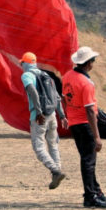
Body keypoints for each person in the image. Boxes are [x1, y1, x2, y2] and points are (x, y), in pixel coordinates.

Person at [62, 46, 106, 208]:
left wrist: (66, 116)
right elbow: (90, 110)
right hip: (85, 124)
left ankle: (96, 190)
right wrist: (97, 136)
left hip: (74, 123)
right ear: (88, 63)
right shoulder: (86, 83)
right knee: (89, 161)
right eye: (93, 61)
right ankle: (90, 196)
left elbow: (65, 98)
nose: (93, 64)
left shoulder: (67, 76)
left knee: (86, 158)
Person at [20, 52, 67, 189]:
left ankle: (55, 171)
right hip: (52, 115)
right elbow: (57, 97)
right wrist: (62, 115)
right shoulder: (46, 75)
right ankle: (57, 173)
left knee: (39, 146)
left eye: (22, 62)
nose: (21, 65)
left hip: (39, 116)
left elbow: (32, 92)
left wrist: (39, 112)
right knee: (53, 145)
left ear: (26, 63)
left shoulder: (27, 75)